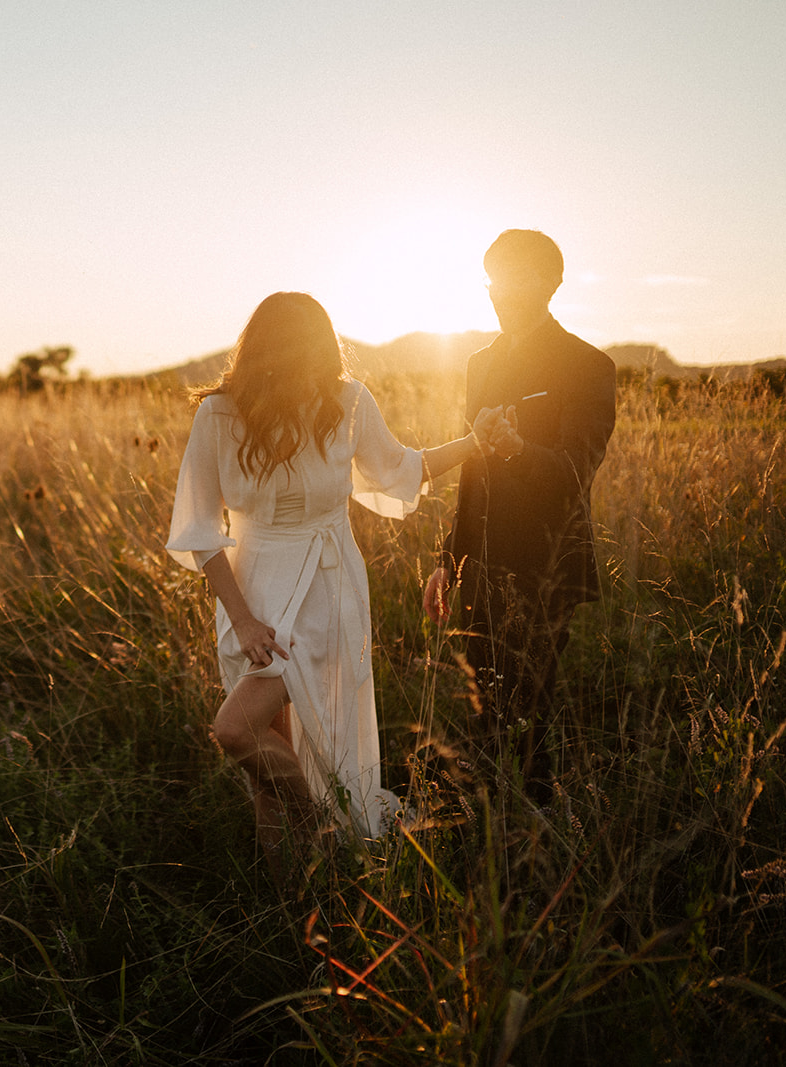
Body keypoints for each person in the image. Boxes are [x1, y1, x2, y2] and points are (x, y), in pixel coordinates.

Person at [168, 292, 506, 853]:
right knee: (263, 755)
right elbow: (201, 533)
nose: (305, 367)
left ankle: (322, 827)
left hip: (328, 583)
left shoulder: (346, 401)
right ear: (266, 350)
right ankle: (291, 903)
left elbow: (400, 469)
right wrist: (245, 620)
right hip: (251, 585)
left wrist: (475, 443)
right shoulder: (220, 414)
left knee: (236, 728)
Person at [423, 230, 616, 801]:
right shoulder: (479, 364)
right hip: (479, 562)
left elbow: (577, 470)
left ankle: (534, 838)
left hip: (545, 565)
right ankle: (491, 829)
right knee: (485, 707)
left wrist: (518, 451)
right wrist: (448, 561)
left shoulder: (589, 365)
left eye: (513, 279)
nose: (498, 293)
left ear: (552, 284)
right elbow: (472, 475)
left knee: (529, 712)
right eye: (492, 279)